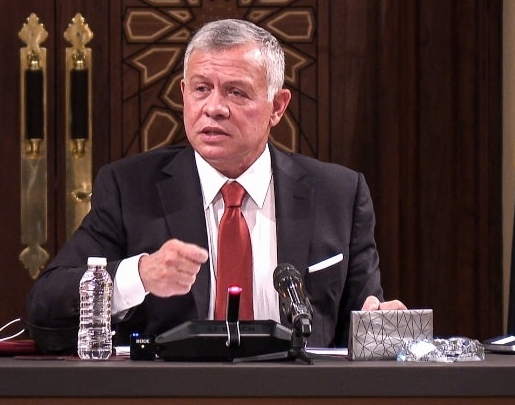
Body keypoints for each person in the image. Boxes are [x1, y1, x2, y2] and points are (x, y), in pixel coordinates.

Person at [26, 18, 404, 350]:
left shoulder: (337, 194)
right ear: (183, 94)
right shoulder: (131, 188)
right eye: (201, 88)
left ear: (278, 106)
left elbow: (364, 320)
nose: (214, 107)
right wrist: (138, 276)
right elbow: (45, 305)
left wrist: (382, 323)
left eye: (236, 92)